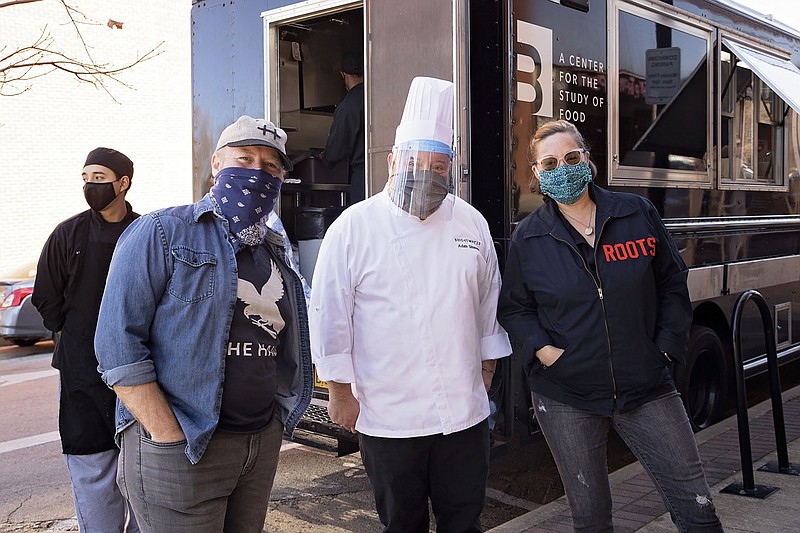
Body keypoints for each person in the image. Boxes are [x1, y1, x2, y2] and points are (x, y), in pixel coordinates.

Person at [497, 120, 723, 532]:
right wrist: (546, 353)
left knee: (697, 508)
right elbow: (514, 309)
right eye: (549, 164)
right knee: (591, 518)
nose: (561, 169)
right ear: (536, 174)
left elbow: (671, 283)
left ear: (588, 160)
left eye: (570, 158)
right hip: (567, 393)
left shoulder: (636, 213)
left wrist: (666, 348)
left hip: (647, 386)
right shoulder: (529, 238)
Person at [309, 76, 511, 533]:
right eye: (415, 162)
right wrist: (339, 393)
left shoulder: (471, 222)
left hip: (463, 413)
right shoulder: (353, 226)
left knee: (464, 520)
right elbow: (329, 315)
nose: (426, 174)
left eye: (439, 166)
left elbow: (487, 306)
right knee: (403, 524)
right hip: (388, 416)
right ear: (393, 162)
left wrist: (484, 375)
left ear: (452, 169)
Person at [94, 115, 313, 532]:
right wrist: (167, 434)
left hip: (257, 445)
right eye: (244, 159)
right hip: (184, 448)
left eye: (270, 168)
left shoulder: (274, 251)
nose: (257, 174)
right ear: (216, 164)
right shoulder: (161, 232)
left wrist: (272, 428)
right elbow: (117, 347)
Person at [32, 147, 139, 533]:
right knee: (92, 465)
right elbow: (45, 297)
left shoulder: (145, 233)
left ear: (123, 183)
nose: (91, 186)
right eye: (86, 178)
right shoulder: (67, 234)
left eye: (99, 178)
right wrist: (75, 335)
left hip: (139, 368)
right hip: (81, 370)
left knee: (141, 467)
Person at [321, 51, 365, 202]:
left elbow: (337, 149)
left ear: (343, 74)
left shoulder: (349, 105)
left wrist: (325, 159)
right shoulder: (377, 97)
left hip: (361, 178)